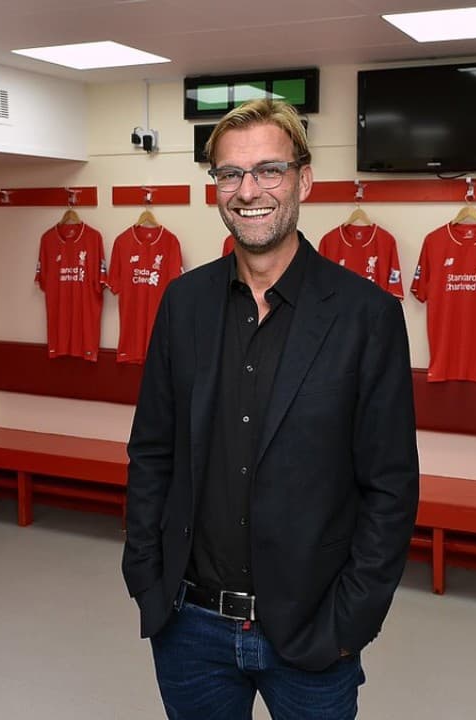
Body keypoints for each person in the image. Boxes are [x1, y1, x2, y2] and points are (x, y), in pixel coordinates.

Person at [122, 99, 419, 719]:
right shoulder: (183, 304)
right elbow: (151, 451)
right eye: (229, 174)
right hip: (189, 626)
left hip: (313, 633)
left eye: (268, 170)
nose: (248, 191)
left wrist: (350, 620)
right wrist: (148, 576)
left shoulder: (366, 316)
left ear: (303, 180)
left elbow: (389, 487)